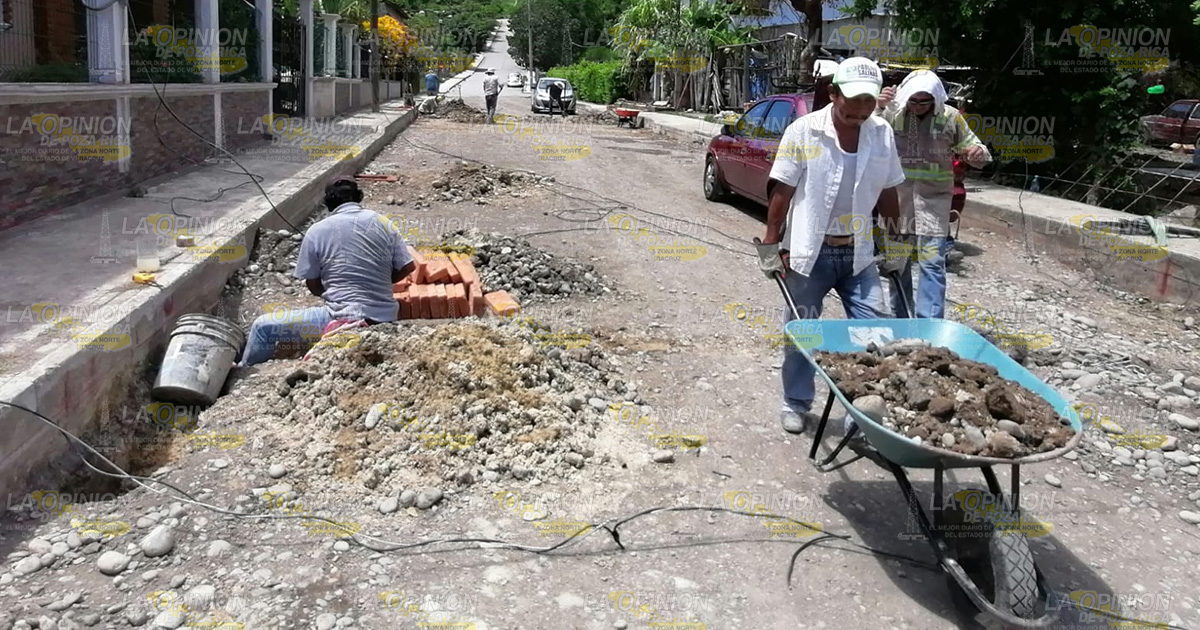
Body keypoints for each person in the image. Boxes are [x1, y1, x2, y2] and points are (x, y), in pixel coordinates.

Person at [755, 57, 906, 435]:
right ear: (834, 93)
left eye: (869, 101)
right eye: (853, 101)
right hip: (810, 252)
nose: (860, 110)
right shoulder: (804, 131)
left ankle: (864, 414)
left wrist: (897, 244)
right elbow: (782, 192)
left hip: (859, 253)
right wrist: (771, 244)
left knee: (874, 336)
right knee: (803, 332)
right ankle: (796, 402)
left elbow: (888, 192)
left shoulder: (882, 133)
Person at [237, 178, 415, 367]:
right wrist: (381, 281)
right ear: (358, 198)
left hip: (340, 316)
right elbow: (408, 266)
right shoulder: (383, 223)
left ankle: (241, 375)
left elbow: (313, 285)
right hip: (385, 317)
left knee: (262, 327)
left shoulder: (317, 231)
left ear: (328, 203)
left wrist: (336, 291)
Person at [875, 70, 991, 318]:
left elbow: (977, 148)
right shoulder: (890, 114)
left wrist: (977, 153)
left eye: (924, 101)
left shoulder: (950, 119)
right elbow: (866, 133)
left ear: (936, 99)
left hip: (933, 204)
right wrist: (877, 106)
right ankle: (901, 318)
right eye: (913, 101)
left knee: (932, 264)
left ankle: (930, 323)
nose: (917, 106)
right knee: (897, 264)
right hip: (896, 204)